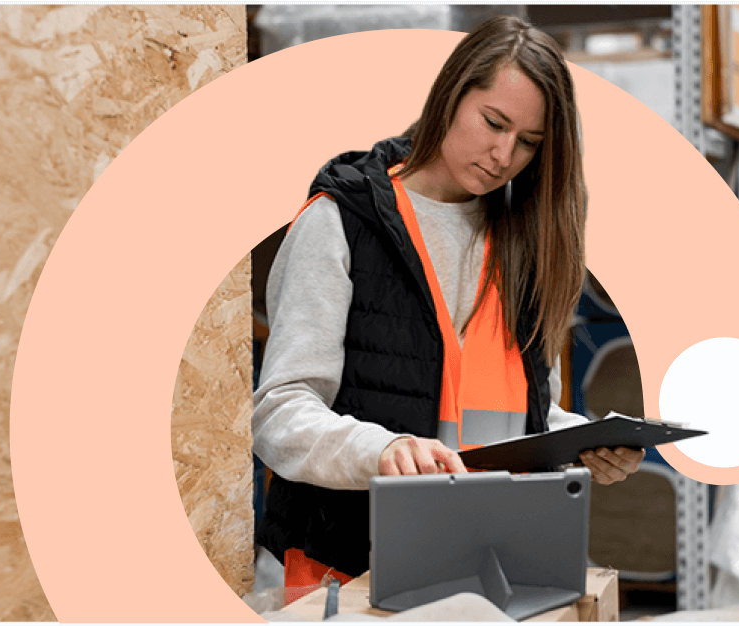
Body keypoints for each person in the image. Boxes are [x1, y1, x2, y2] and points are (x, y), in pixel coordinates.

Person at [252, 16, 646, 589]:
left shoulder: (524, 243)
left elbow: (517, 414)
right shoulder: (342, 222)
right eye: (493, 122)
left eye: (528, 143)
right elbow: (280, 411)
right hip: (349, 570)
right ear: (451, 94)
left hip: (486, 570)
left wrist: (581, 444)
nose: (503, 154)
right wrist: (382, 450)